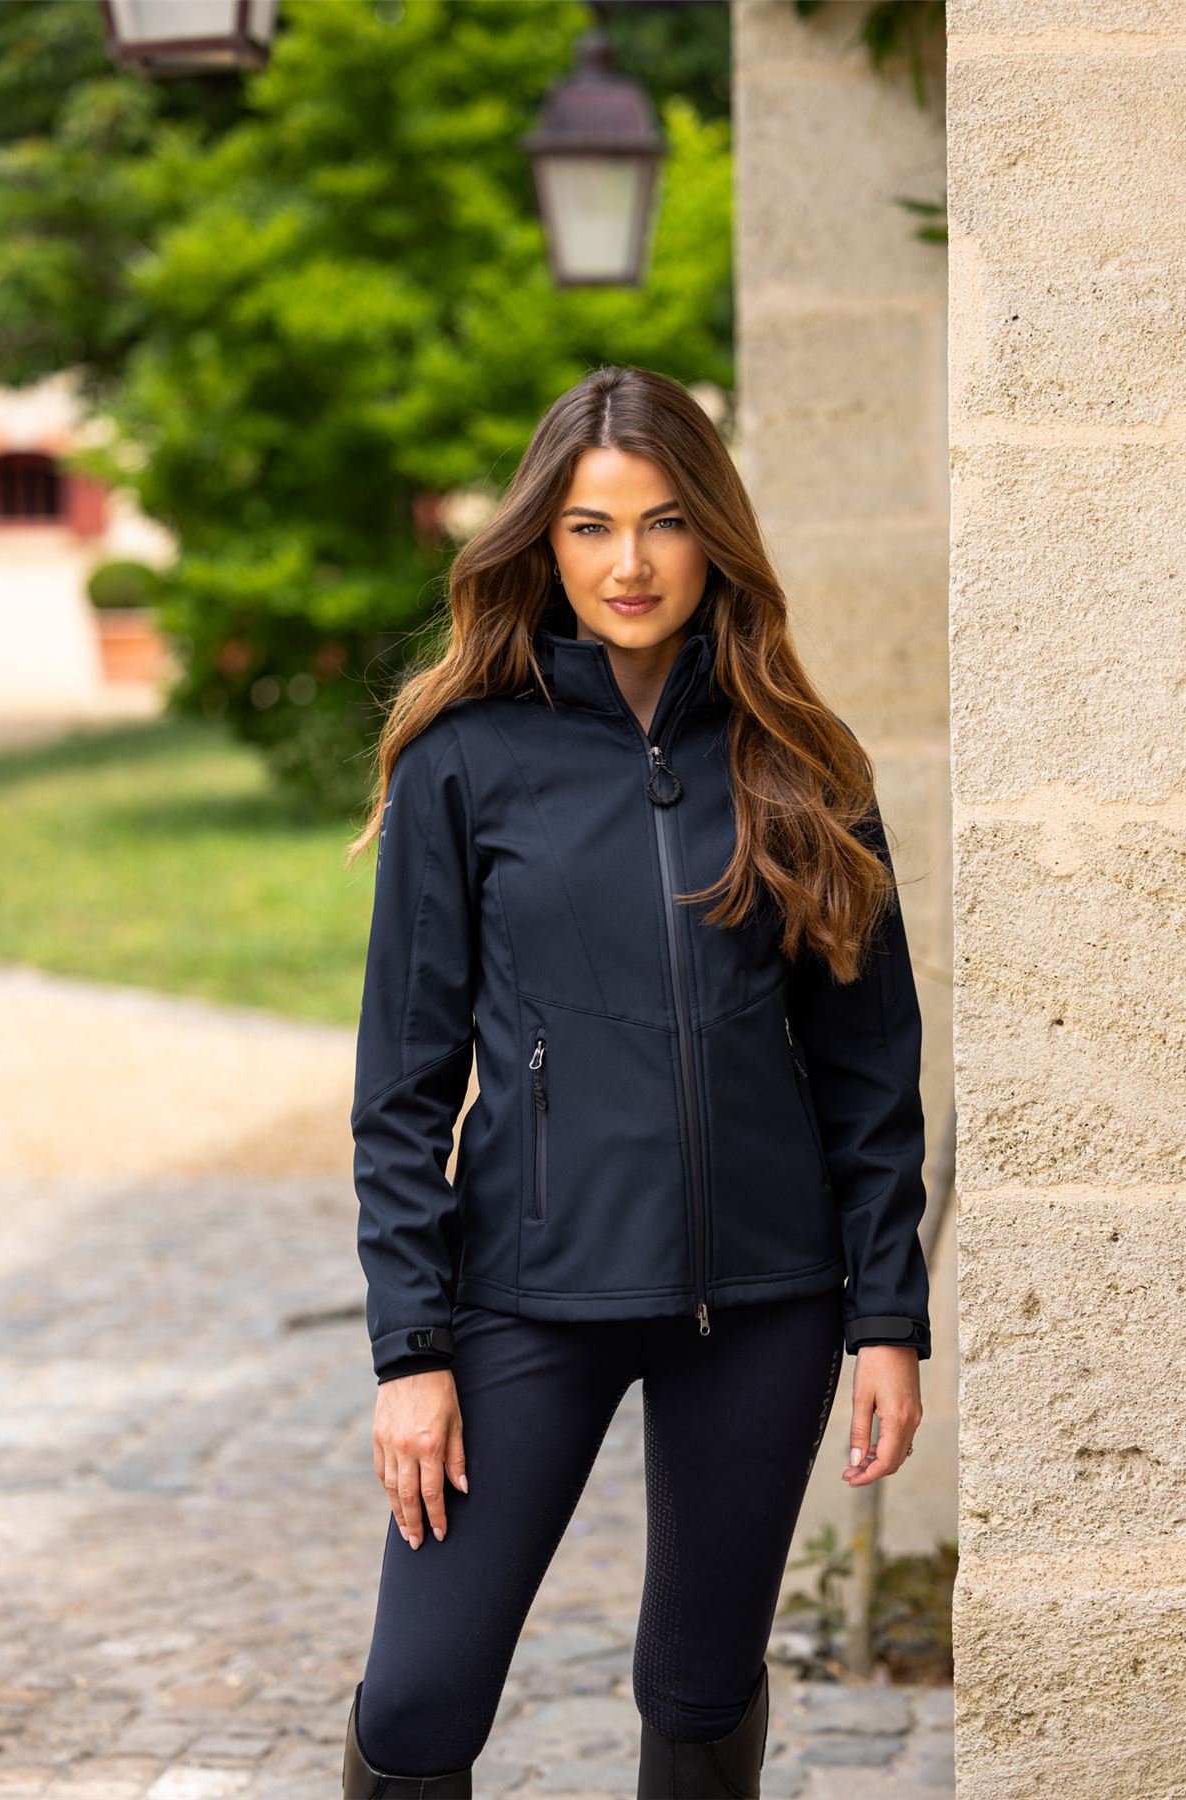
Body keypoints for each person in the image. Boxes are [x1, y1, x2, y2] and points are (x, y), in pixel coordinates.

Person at [340, 365, 930, 1800]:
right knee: (418, 1698)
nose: (630, 563)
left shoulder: (804, 763)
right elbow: (402, 1090)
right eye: (591, 527)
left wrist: (885, 1319)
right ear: (542, 543)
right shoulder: (466, 763)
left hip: (763, 1300)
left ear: (712, 536)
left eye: (663, 522)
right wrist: (411, 1353)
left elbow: (868, 1069)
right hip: (526, 1293)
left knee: (701, 1686)